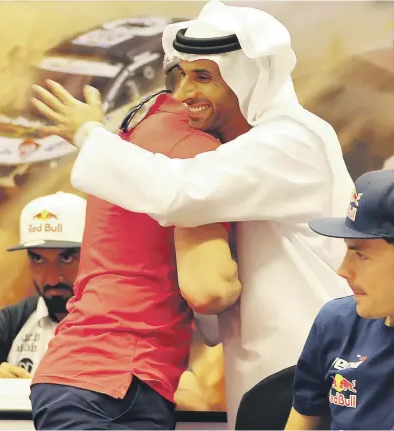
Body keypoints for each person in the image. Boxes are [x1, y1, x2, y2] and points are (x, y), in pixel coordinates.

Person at [31, 1, 353, 427]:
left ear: (249, 78)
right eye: (180, 75)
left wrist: (90, 135)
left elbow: (180, 192)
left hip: (307, 367)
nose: (183, 95)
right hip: (266, 375)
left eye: (203, 76)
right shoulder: (231, 153)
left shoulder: (291, 139)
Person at [29, 67, 241, 430]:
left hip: (94, 377)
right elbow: (210, 290)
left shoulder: (131, 138)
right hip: (114, 380)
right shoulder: (195, 150)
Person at [285, 169, 394, 430]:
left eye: (361, 255)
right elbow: (302, 420)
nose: (343, 270)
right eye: (347, 250)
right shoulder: (336, 323)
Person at [0, 191, 86, 378]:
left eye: (66, 258)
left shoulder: (119, 325)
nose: (51, 278)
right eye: (38, 259)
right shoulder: (9, 324)